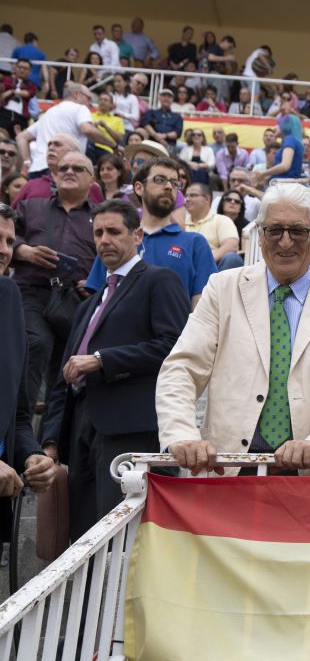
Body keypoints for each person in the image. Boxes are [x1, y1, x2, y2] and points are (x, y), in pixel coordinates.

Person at [157, 183, 310, 476]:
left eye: (297, 231)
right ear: (259, 235)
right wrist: (181, 434)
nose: (285, 243)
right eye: (275, 231)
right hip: (228, 467)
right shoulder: (222, 288)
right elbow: (182, 368)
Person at [40, 199, 189, 539]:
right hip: (80, 427)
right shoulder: (90, 303)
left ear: (137, 236)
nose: (104, 240)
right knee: (81, 534)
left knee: (121, 533)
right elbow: (65, 374)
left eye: (114, 232)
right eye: (98, 233)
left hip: (130, 428)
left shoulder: (158, 280)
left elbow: (174, 346)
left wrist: (103, 360)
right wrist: (50, 440)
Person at [11, 152, 98, 410]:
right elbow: (6, 235)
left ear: (92, 180)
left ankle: (51, 440)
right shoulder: (31, 206)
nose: (69, 171)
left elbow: (113, 257)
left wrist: (94, 283)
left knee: (66, 368)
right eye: (63, 167)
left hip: (77, 300)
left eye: (77, 168)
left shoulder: (100, 217)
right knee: (36, 343)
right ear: (54, 175)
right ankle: (18, 427)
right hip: (31, 292)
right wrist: (23, 251)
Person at [84, 157, 217, 309]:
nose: (169, 187)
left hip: (176, 331)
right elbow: (97, 301)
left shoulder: (194, 242)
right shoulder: (115, 239)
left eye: (175, 183)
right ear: (139, 188)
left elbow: (202, 303)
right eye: (160, 180)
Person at [0, 206, 57, 544]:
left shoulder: (9, 297)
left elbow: (18, 413)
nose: (4, 250)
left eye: (9, 240)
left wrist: (31, 453)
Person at [15, 83, 109, 178]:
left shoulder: (48, 113)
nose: (90, 103)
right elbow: (87, 130)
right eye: (88, 98)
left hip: (36, 169)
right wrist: (113, 145)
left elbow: (21, 137)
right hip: (64, 170)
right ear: (76, 94)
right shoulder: (80, 108)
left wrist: (27, 161)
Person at [183, 183, 243, 271]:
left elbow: (231, 245)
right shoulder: (181, 223)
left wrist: (206, 261)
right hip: (184, 266)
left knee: (232, 259)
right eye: (186, 196)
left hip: (211, 270)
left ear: (207, 199)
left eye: (193, 195)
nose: (187, 199)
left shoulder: (221, 220)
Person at [253, 114, 304, 184]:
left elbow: (285, 166)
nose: (274, 128)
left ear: (286, 126)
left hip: (285, 186)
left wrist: (262, 174)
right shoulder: (293, 141)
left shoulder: (289, 139)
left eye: (278, 124)